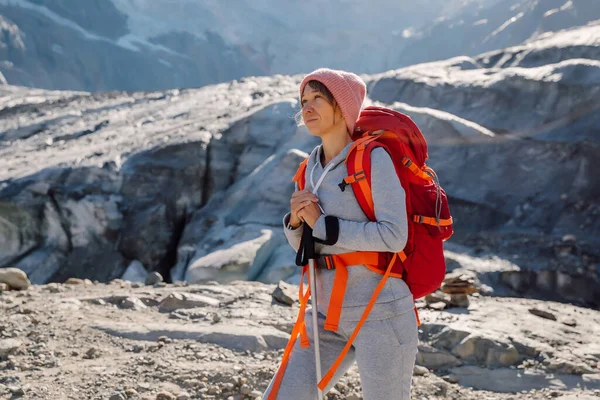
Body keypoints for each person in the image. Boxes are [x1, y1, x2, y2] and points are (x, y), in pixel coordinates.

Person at [263, 68, 419, 399]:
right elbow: (307, 247)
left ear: (343, 106)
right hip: (324, 314)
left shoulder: (373, 158)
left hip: (380, 312)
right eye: (303, 100)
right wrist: (295, 223)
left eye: (318, 98)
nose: (306, 107)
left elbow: (394, 236)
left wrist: (321, 224)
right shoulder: (309, 168)